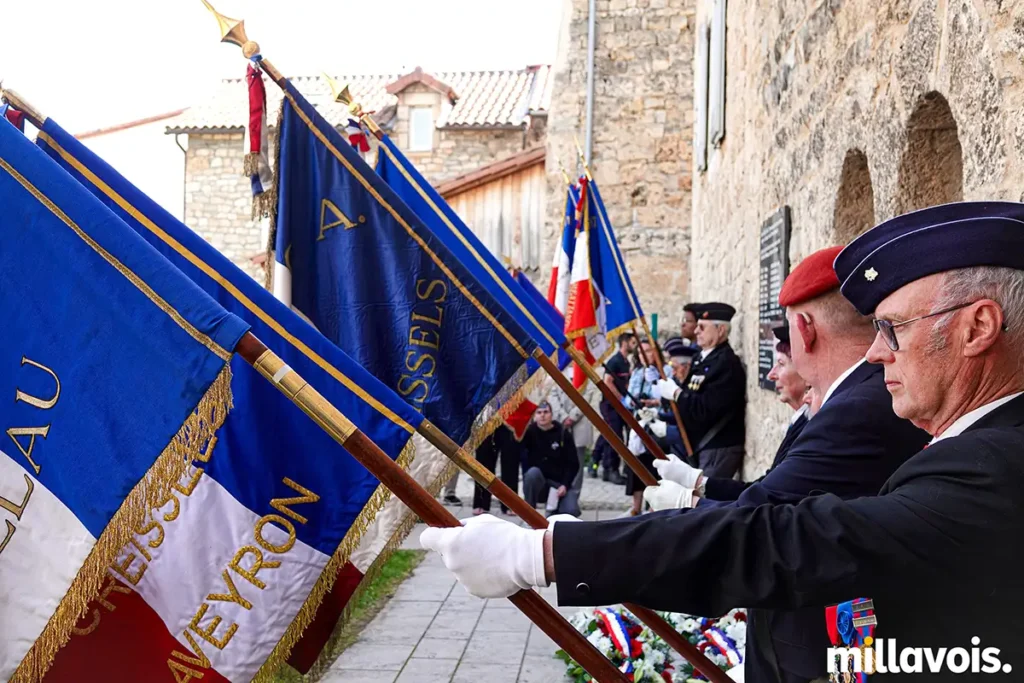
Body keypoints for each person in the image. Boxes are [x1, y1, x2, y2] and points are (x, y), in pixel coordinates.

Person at [421, 202, 1024, 681]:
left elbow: (789, 539)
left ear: (977, 328)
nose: (875, 351)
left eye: (892, 328)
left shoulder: (995, 464)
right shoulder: (981, 443)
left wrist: (543, 555)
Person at [645, 247, 930, 682]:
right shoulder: (861, 395)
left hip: (821, 642)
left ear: (804, 327)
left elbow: (764, 515)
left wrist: (554, 551)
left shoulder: (858, 406)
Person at [653, 303, 746, 479]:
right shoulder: (700, 359)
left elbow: (705, 409)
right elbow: (689, 395)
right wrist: (665, 405)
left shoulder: (726, 364)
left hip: (716, 445)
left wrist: (676, 394)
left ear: (720, 330)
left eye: (702, 327)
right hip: (698, 444)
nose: (696, 331)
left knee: (704, 500)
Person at [622, 338, 663, 515]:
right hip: (640, 421)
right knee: (637, 462)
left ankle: (656, 505)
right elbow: (628, 398)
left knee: (655, 464)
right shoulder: (637, 372)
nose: (644, 355)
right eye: (640, 352)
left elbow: (667, 398)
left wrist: (654, 401)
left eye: (647, 351)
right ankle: (636, 506)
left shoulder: (664, 370)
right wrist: (635, 400)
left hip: (658, 421)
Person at [520, 401, 581, 517]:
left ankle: (555, 510)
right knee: (532, 474)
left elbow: (574, 464)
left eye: (546, 412)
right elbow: (522, 459)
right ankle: (529, 514)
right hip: (540, 483)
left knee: (571, 511)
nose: (542, 415)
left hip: (559, 484)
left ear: (551, 415)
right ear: (535, 416)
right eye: (539, 412)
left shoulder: (563, 434)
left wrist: (565, 485)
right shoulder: (528, 434)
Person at [592, 332, 636, 484]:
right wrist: (621, 399)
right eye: (632, 342)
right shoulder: (614, 361)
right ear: (624, 342)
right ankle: (610, 470)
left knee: (618, 435)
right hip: (611, 405)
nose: (634, 346)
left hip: (621, 406)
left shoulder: (625, 362)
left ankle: (601, 463)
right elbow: (607, 382)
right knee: (615, 437)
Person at [548, 364, 602, 486]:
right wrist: (563, 417)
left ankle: (574, 495)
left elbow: (587, 395)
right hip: (560, 423)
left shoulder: (585, 370)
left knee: (577, 461)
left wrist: (572, 417)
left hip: (580, 423)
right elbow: (552, 394)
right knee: (558, 460)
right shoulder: (558, 368)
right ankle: (557, 495)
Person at [471, 424, 521, 516]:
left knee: (511, 462)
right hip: (486, 417)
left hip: (510, 417)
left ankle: (510, 504)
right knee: (483, 460)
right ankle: (481, 502)